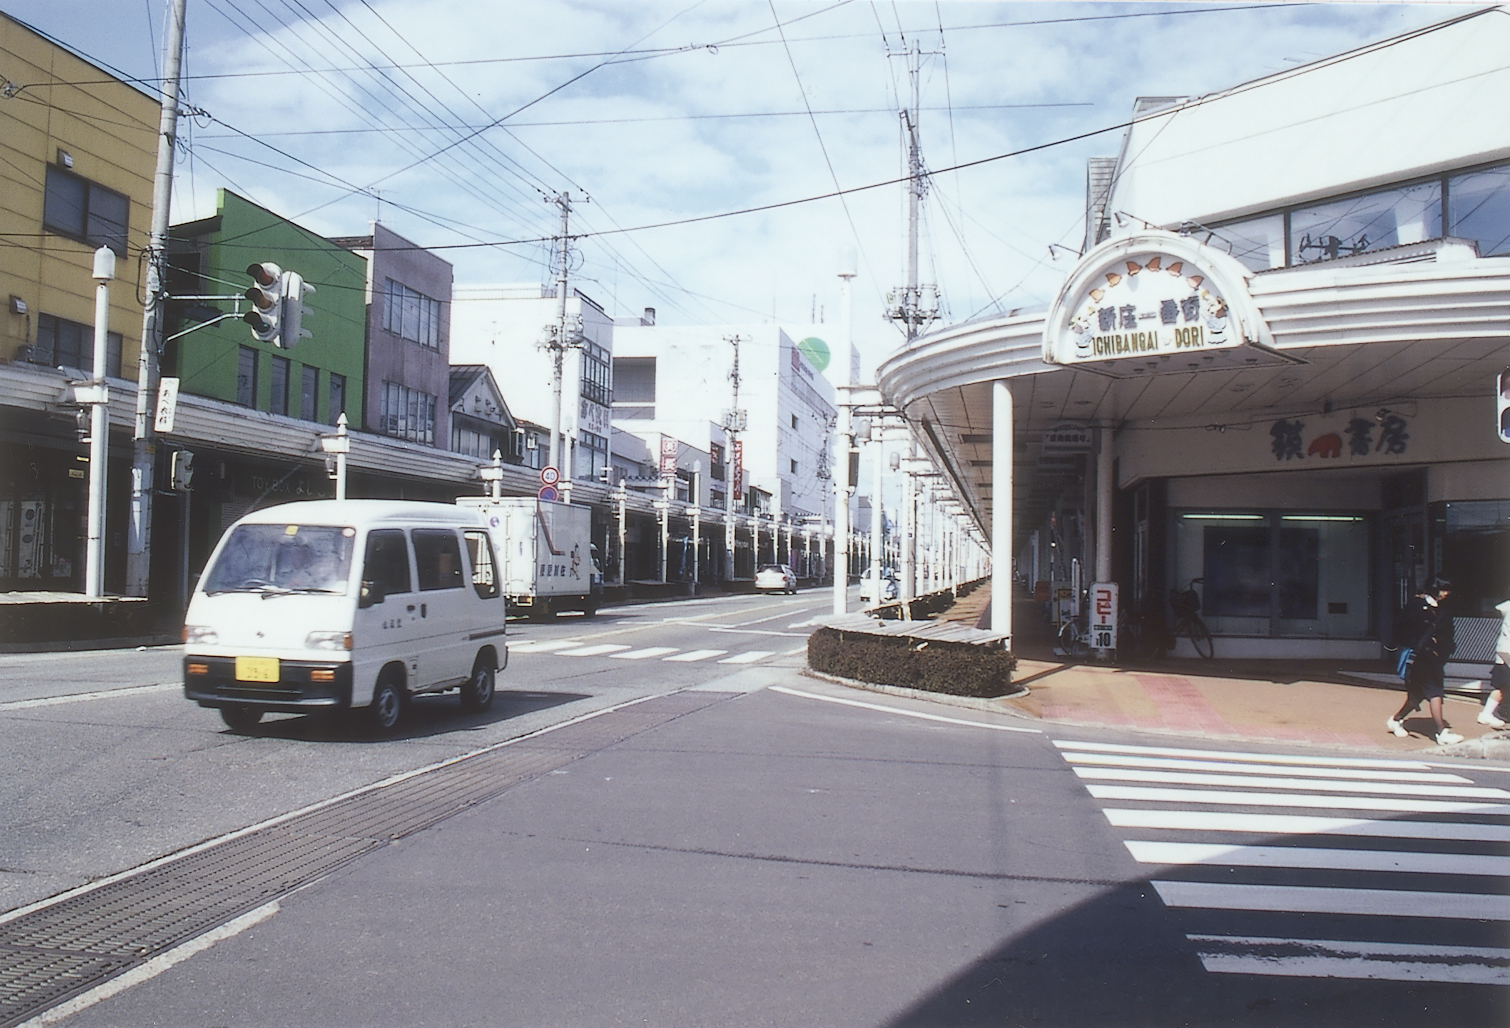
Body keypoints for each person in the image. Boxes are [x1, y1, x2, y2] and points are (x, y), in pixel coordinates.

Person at [1387, 577, 1462, 745]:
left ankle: (1396, 719)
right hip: (1418, 657)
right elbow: (1401, 627)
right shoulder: (1415, 605)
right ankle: (1441, 731)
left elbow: (1449, 634)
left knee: (1417, 695)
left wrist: (1445, 650)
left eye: (1447, 590)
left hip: (1434, 657)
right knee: (1434, 690)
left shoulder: (1444, 609)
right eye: (1443, 589)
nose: (1446, 593)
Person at [1477, 596, 1510, 728]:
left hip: (1504, 652)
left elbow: (1500, 608)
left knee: (1504, 687)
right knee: (1502, 687)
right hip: (1508, 653)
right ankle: (1487, 713)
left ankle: (1488, 713)